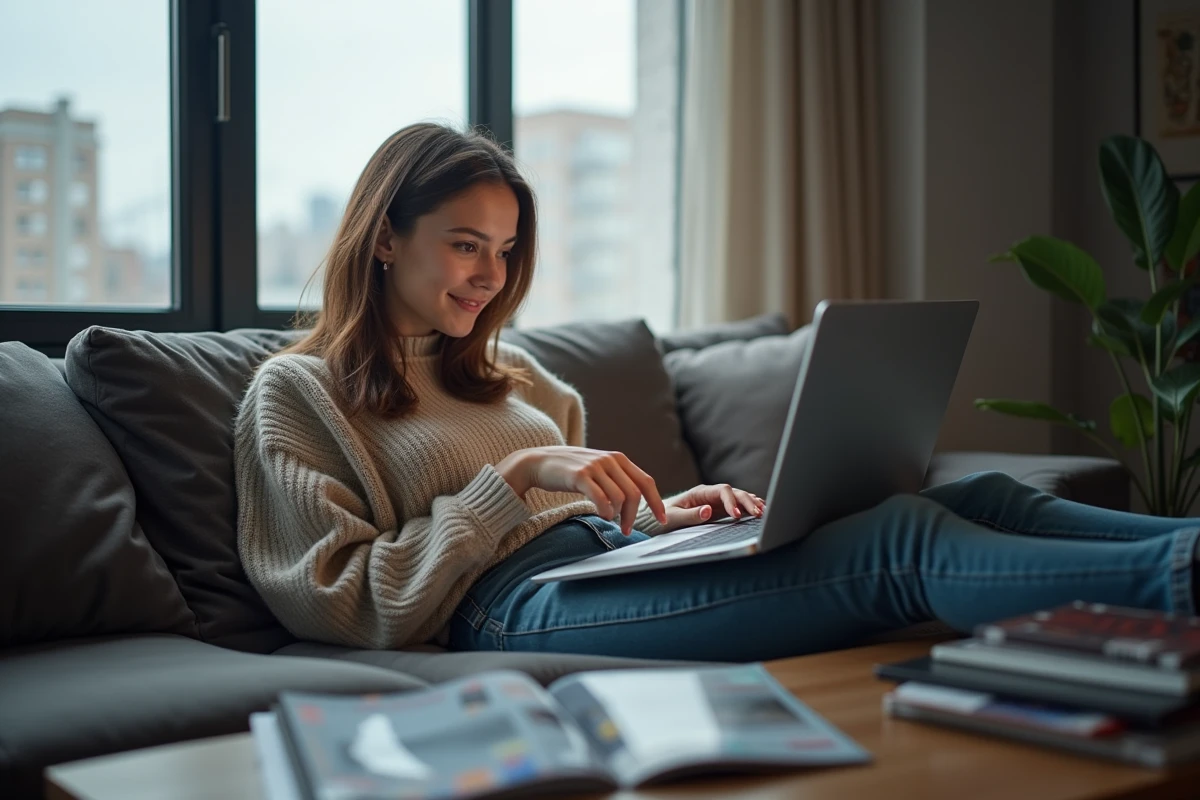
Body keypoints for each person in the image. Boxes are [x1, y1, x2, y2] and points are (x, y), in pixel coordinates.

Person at [233, 123, 1200, 663]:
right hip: (504, 610)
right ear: (386, 236)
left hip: (598, 566)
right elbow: (342, 603)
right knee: (901, 548)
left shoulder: (513, 376)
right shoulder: (298, 394)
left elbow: (587, 517)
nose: (490, 274)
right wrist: (519, 475)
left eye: (507, 249)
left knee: (973, 498)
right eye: (465, 244)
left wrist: (665, 522)